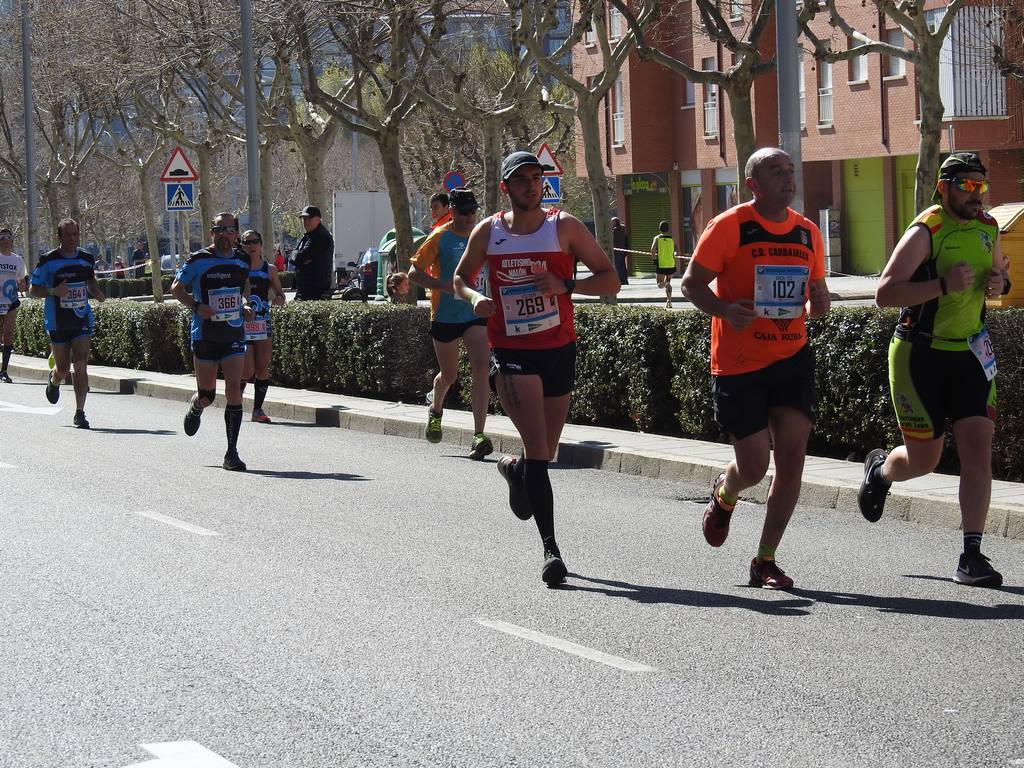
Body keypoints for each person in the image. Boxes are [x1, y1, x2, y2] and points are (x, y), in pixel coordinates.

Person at [453, 151, 620, 587]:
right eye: (522, 179)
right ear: (506, 186)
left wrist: (567, 285)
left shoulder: (563, 227)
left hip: (559, 348)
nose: (531, 185)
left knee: (546, 450)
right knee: (540, 448)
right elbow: (460, 278)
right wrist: (475, 299)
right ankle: (551, 549)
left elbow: (610, 278)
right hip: (511, 349)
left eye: (537, 178)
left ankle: (515, 469)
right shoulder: (489, 231)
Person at [681, 147, 830, 591]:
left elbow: (816, 290)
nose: (788, 178)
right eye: (776, 171)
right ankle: (726, 494)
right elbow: (691, 284)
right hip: (739, 364)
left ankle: (765, 559)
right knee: (753, 467)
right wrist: (724, 308)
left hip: (792, 358)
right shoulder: (730, 226)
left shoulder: (807, 233)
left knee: (792, 459)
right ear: (753, 184)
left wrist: (819, 301)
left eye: (790, 171)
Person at [858, 152, 1008, 588]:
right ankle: (882, 470)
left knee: (979, 446)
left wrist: (1002, 283)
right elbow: (885, 293)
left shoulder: (988, 227)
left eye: (981, 184)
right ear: (943, 188)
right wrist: (941, 285)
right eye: (966, 185)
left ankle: (972, 555)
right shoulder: (929, 229)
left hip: (971, 353)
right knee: (925, 459)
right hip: (919, 355)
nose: (976, 194)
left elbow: (999, 273)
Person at [410, 188, 494, 461]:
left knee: (481, 368)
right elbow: (414, 273)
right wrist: (441, 286)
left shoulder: (481, 233)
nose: (470, 217)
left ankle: (479, 434)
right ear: (453, 211)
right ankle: (436, 409)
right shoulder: (440, 237)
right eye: (465, 212)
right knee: (450, 375)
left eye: (474, 211)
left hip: (475, 311)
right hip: (445, 315)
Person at [170, 211, 254, 471]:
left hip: (233, 333)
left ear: (236, 233)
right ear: (211, 233)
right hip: (205, 334)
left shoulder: (242, 260)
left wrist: (246, 304)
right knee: (208, 395)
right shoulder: (198, 260)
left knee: (234, 391)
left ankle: (231, 453)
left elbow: (244, 288)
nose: (224, 235)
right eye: (218, 230)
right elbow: (175, 288)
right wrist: (196, 306)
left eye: (229, 230)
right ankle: (197, 406)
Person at [28, 218, 107, 428]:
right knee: (63, 369)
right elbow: (32, 290)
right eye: (68, 235)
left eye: (75, 234)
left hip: (81, 319)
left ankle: (80, 413)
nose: (72, 239)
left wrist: (96, 291)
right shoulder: (48, 261)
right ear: (59, 237)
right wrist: (54, 291)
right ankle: (54, 381)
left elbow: (89, 280)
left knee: (81, 364)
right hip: (57, 321)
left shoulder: (86, 259)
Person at [239, 229, 286, 424]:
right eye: (246, 242)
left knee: (262, 369)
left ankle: (257, 410)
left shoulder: (270, 269)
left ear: (260, 245)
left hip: (263, 323)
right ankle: (235, 402)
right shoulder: (239, 268)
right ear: (242, 246)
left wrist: (279, 299)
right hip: (243, 324)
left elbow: (280, 294)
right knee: (247, 370)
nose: (251, 245)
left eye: (254, 241)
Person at [0, 227, 27, 383]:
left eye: (8, 237)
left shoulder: (18, 260)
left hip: (10, 301)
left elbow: (21, 280)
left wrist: (23, 285)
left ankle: (4, 371)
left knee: (8, 335)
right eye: (2, 237)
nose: (6, 240)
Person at [291, 205, 334, 300]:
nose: (306, 222)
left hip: (315, 291)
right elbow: (293, 258)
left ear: (318, 219)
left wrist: (298, 257)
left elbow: (301, 257)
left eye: (309, 219)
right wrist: (298, 258)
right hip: (304, 289)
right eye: (304, 219)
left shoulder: (321, 236)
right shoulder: (308, 236)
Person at [651, 220, 677, 309]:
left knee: (659, 284)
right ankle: (669, 301)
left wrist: (654, 260)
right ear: (668, 229)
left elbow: (652, 250)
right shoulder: (672, 238)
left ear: (659, 229)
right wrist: (675, 254)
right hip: (671, 264)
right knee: (669, 282)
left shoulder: (657, 238)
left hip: (661, 264)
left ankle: (666, 284)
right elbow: (677, 249)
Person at [611, 216, 630, 285]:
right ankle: (625, 280)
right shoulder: (623, 229)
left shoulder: (616, 230)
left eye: (612, 222)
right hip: (623, 250)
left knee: (619, 266)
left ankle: (621, 280)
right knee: (622, 265)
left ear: (615, 222)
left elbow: (613, 240)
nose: (611, 224)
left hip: (617, 250)